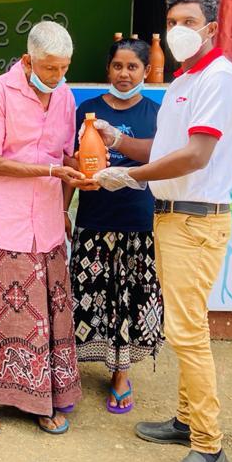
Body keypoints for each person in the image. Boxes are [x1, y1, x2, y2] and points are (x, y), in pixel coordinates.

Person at [93, 0, 232, 462]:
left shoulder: (219, 79)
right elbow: (163, 149)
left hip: (196, 222)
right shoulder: (182, 81)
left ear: (211, 28)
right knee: (184, 326)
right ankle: (185, 420)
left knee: (187, 333)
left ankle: (208, 445)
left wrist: (131, 176)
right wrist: (119, 139)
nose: (179, 30)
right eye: (173, 21)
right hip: (172, 220)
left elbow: (196, 154)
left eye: (189, 22)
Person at [0, 21, 96, 438]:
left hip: (50, 223)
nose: (58, 77)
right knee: (9, 315)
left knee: (51, 315)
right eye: (51, 68)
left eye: (64, 68)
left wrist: (76, 177)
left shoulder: (65, 97)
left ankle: (45, 399)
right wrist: (53, 169)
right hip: (11, 222)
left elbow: (64, 157)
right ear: (28, 61)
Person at [68, 38, 163, 414]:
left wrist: (119, 139)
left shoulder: (155, 112)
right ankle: (70, 372)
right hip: (94, 218)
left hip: (137, 220)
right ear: (108, 69)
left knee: (128, 299)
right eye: (118, 66)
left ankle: (121, 375)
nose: (125, 74)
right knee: (88, 297)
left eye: (133, 67)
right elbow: (71, 163)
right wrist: (63, 210)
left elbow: (159, 155)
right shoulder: (86, 111)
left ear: (145, 71)